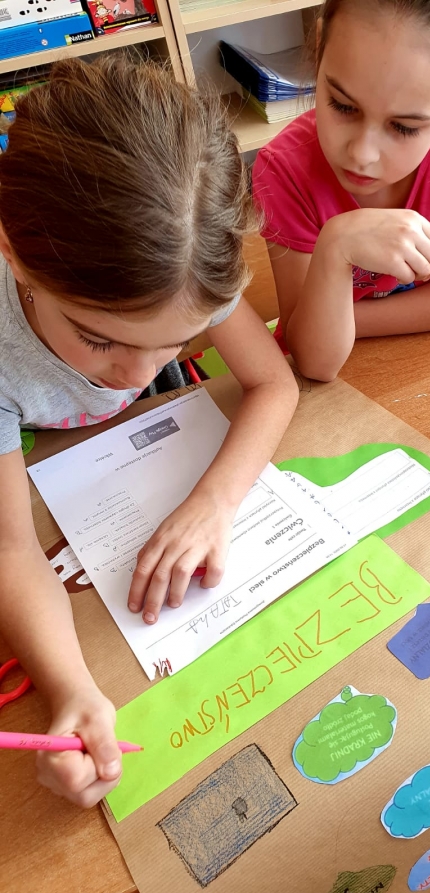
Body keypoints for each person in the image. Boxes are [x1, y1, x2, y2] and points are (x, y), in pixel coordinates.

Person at [0, 56, 298, 807]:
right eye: (99, 339)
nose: (135, 372)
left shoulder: (185, 259)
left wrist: (214, 503)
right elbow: (9, 549)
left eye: (177, 340)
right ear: (14, 253)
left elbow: (273, 383)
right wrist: (72, 690)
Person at [253, 0, 430, 382]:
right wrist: (336, 246)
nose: (362, 154)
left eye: (404, 127)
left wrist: (342, 319)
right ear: (320, 47)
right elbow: (314, 359)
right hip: (333, 391)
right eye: (343, 106)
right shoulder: (284, 170)